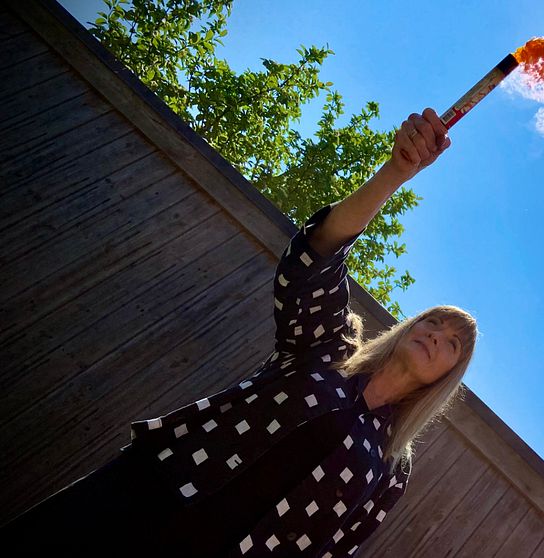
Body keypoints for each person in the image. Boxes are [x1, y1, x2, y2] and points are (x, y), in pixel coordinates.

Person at [0, 107, 478, 557]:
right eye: (432, 321)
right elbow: (315, 260)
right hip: (146, 494)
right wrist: (395, 173)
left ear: (447, 376)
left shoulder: (392, 468)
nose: (436, 334)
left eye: (452, 342)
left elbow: (334, 549)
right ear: (408, 327)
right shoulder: (329, 347)